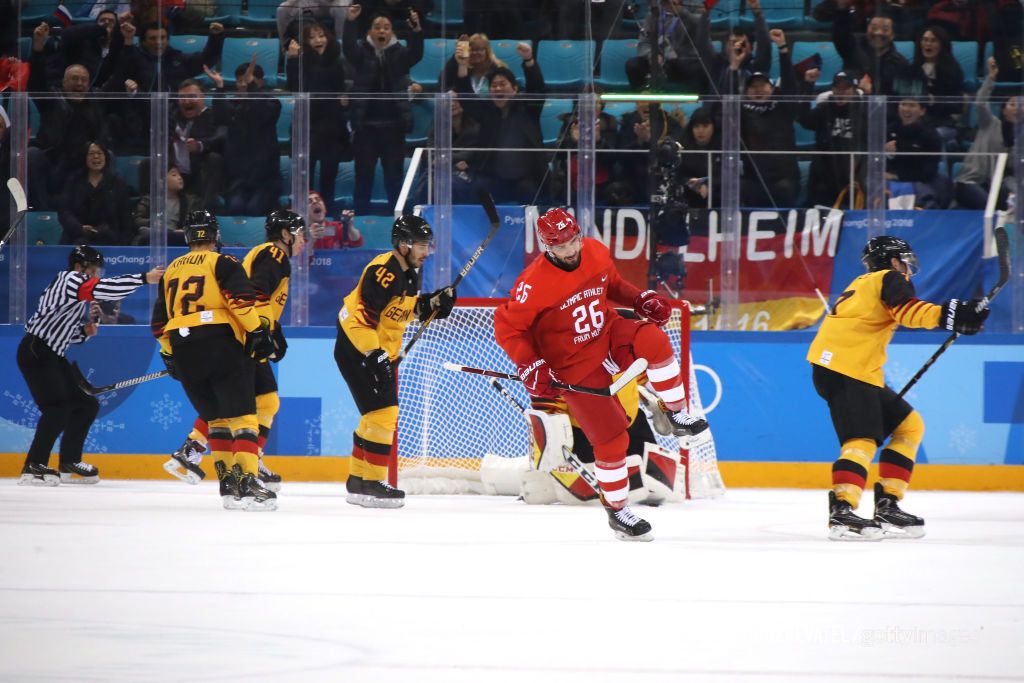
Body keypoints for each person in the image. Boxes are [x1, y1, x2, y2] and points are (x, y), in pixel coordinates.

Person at [493, 208, 710, 541]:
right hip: (573, 365)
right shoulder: (532, 284)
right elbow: (507, 328)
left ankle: (677, 414)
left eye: (573, 240)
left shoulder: (594, 250)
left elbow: (612, 285)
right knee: (612, 441)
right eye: (561, 245)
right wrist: (530, 363)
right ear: (547, 247)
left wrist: (641, 299)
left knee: (654, 338)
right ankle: (618, 511)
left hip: (606, 335)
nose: (570, 249)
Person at [807, 236, 990, 541]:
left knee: (909, 425)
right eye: (903, 260)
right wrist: (950, 316)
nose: (906, 267)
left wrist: (955, 316)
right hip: (846, 368)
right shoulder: (889, 278)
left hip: (850, 369)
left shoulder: (866, 282)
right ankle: (842, 511)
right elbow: (907, 311)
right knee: (862, 438)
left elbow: (897, 313)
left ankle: (887, 504)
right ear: (893, 260)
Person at [164, 210, 308, 491]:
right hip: (245, 336)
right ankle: (226, 462)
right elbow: (254, 294)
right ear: (286, 235)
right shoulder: (274, 254)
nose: (304, 240)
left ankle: (200, 452)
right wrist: (265, 331)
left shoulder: (264, 254)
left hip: (242, 334)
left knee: (262, 402)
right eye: (300, 234)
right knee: (242, 405)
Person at [151, 211, 278, 510]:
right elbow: (241, 302)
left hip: (183, 347)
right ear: (214, 236)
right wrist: (257, 332)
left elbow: (158, 323)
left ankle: (227, 485)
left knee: (217, 419)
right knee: (244, 417)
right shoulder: (223, 262)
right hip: (220, 341)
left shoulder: (170, 271)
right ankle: (247, 482)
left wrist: (169, 354)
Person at [334, 215, 456, 508]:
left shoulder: (409, 272)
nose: (426, 252)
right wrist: (374, 355)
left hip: (372, 351)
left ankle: (358, 481)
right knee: (384, 414)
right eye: (421, 245)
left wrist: (431, 304)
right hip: (358, 348)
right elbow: (363, 318)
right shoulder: (384, 271)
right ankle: (372, 482)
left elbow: (402, 311)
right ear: (403, 245)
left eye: (428, 245)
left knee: (374, 416)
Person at [16, 245, 163, 486]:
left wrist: (83, 332)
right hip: (37, 351)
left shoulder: (73, 291)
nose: (96, 274)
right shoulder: (70, 280)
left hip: (51, 353)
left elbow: (62, 332)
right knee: (57, 408)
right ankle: (34, 465)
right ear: (78, 267)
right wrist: (144, 278)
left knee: (85, 405)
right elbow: (102, 290)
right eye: (93, 270)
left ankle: (69, 461)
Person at [342, 4, 423, 216]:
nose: (382, 31)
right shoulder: (361, 52)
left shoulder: (399, 53)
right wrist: (350, 22)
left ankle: (399, 224)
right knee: (364, 177)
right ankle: (359, 223)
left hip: (393, 127)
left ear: (392, 32)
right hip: (366, 128)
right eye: (377, 27)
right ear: (370, 31)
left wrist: (415, 31)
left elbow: (416, 54)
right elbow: (348, 48)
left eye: (386, 27)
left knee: (394, 178)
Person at [453, 44, 547, 205]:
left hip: (526, 179)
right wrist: (462, 65)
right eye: (494, 86)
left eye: (502, 84)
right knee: (477, 189)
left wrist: (529, 60)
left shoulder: (528, 109)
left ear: (515, 89)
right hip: (494, 179)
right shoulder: (487, 111)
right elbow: (466, 98)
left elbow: (537, 89)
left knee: (533, 193)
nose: (497, 88)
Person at [285, 21, 350, 217]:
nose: (318, 40)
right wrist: (293, 59)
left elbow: (343, 88)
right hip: (308, 126)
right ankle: (303, 220)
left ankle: (326, 219)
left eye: (321, 35)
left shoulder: (337, 60)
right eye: (312, 37)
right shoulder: (301, 60)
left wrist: (345, 99)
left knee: (329, 178)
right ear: (305, 41)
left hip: (332, 127)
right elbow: (294, 87)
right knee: (306, 180)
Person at [209, 61, 283, 217]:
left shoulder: (271, 103)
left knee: (254, 209)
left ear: (260, 82)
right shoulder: (235, 106)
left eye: (248, 80)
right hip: (239, 180)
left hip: (266, 180)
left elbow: (259, 114)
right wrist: (220, 88)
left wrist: (252, 89)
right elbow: (221, 117)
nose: (242, 85)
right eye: (239, 80)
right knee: (235, 207)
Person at [954, 58, 1019, 210]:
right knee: (988, 207)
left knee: (1010, 204)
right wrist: (991, 77)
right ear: (1003, 109)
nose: (1017, 108)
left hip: (995, 185)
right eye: (1012, 104)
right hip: (970, 182)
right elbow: (980, 103)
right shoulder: (990, 123)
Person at [58, 141, 136, 245]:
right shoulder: (74, 181)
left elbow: (125, 216)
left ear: (106, 157)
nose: (96, 157)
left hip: (110, 238)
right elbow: (64, 211)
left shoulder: (117, 182)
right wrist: (79, 228)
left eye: (99, 153)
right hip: (78, 235)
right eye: (91, 154)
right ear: (84, 157)